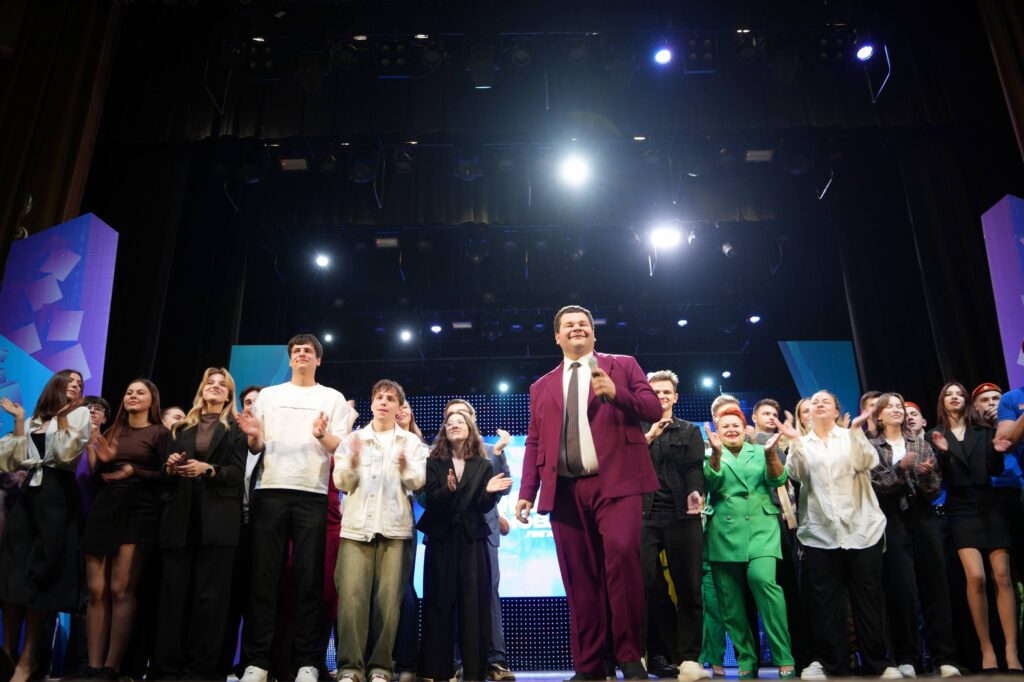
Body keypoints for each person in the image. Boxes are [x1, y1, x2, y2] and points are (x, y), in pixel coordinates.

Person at [515, 305, 662, 681]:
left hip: (617, 485)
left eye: (583, 324)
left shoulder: (623, 365)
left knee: (623, 562)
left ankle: (630, 657)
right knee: (579, 579)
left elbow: (653, 407)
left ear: (594, 334)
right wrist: (527, 491)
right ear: (557, 337)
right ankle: (589, 666)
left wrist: (617, 393)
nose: (577, 328)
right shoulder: (541, 386)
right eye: (568, 325)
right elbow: (534, 441)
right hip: (565, 491)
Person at [236, 334, 350, 682]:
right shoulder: (269, 396)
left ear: (318, 360)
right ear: (289, 359)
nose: (301, 354)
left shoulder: (332, 397)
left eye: (308, 351)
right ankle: (257, 662)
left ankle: (308, 662)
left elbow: (339, 446)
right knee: (264, 580)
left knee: (309, 583)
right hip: (269, 490)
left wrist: (321, 435)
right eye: (296, 350)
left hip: (312, 494)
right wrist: (253, 435)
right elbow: (256, 445)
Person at [779, 391, 901, 680]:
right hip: (820, 534)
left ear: (836, 411)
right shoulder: (802, 442)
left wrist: (856, 430)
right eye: (814, 402)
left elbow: (866, 462)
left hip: (862, 530)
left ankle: (877, 663)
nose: (819, 404)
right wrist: (794, 442)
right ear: (809, 413)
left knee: (868, 600)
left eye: (826, 401)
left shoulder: (850, 435)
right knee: (827, 605)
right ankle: (834, 664)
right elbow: (797, 475)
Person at [151, 367, 247, 679]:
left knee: (210, 601)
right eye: (210, 383)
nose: (215, 387)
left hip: (218, 525)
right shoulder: (181, 428)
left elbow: (237, 474)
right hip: (180, 520)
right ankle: (166, 669)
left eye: (222, 384)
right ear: (202, 389)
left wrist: (209, 469)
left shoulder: (236, 429)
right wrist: (169, 467)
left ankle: (201, 670)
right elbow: (165, 477)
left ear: (229, 394)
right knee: (173, 597)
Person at [332, 380, 427, 682]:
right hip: (356, 529)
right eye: (379, 397)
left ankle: (381, 667)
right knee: (352, 599)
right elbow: (341, 482)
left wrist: (404, 466)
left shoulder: (411, 443)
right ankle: (350, 667)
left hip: (395, 529)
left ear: (400, 408)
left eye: (390, 399)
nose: (384, 402)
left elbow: (417, 483)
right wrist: (353, 462)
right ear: (372, 403)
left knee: (388, 602)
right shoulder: (353, 440)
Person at [0, 370, 90, 682]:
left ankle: (28, 661)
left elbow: (66, 455)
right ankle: (6, 657)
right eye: (70, 381)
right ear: (56, 385)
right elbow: (11, 460)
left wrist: (63, 418)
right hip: (28, 498)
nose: (76, 385)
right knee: (13, 575)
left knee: (42, 577)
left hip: (56, 497)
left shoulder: (79, 415)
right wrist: (19, 420)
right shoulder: (36, 419)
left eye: (80, 383)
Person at [81, 379, 169, 679]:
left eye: (140, 392)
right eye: (129, 392)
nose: (132, 396)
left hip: (139, 510)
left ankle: (112, 666)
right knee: (97, 590)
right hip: (105, 508)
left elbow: (166, 476)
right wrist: (98, 454)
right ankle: (93, 666)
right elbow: (95, 475)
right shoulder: (112, 431)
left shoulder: (160, 433)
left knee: (121, 589)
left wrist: (134, 471)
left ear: (152, 400)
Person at [929, 381, 1020, 672]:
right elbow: (938, 479)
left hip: (989, 505)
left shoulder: (984, 431)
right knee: (976, 577)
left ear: (967, 401)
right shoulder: (936, 435)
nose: (954, 397)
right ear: (942, 402)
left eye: (959, 394)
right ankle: (986, 649)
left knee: (1002, 576)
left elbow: (994, 469)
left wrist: (998, 450)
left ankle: (1011, 650)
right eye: (949, 394)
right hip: (960, 508)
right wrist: (942, 453)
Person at [867, 393, 960, 678]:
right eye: (890, 407)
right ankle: (907, 656)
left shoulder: (920, 443)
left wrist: (926, 474)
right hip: (892, 519)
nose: (897, 410)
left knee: (935, 584)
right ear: (879, 416)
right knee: (902, 589)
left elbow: (934, 488)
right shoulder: (872, 446)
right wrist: (901, 468)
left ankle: (943, 656)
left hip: (923, 516)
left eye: (900, 406)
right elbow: (877, 483)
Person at [419, 410, 513, 682]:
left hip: (472, 540)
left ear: (470, 428)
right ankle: (438, 670)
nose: (454, 425)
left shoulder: (482, 464)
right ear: (444, 431)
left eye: (460, 422)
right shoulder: (434, 461)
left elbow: (482, 506)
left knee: (473, 605)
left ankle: (474, 671)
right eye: (449, 423)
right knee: (439, 602)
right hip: (442, 538)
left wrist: (489, 493)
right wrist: (448, 490)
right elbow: (430, 499)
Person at [703, 407, 795, 680]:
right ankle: (746, 659)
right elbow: (710, 484)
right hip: (723, 533)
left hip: (761, 529)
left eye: (736, 425)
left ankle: (784, 657)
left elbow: (778, 479)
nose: (731, 430)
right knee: (730, 603)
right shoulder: (709, 454)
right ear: (717, 432)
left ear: (745, 429)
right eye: (725, 426)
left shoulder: (760, 450)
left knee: (763, 582)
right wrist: (716, 454)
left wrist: (770, 455)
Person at [639, 370, 707, 682]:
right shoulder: (636, 430)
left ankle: (690, 659)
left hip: (683, 515)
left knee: (689, 588)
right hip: (644, 514)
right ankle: (655, 653)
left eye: (667, 392)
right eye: (656, 392)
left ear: (675, 397)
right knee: (646, 585)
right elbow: (627, 463)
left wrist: (696, 491)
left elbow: (694, 467)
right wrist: (650, 435)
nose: (662, 396)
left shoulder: (690, 430)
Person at [443, 398, 516, 682]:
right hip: (453, 533)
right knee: (454, 597)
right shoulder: (441, 453)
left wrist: (497, 452)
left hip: (484, 533)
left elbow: (504, 488)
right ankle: (457, 662)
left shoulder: (488, 449)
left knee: (488, 595)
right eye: (451, 416)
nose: (457, 420)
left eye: (463, 415)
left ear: (472, 420)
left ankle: (495, 661)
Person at [220, 384, 264, 676]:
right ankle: (221, 662)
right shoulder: (230, 439)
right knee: (228, 599)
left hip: (263, 529)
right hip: (231, 527)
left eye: (258, 402)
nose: (252, 407)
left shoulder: (273, 441)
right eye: (248, 402)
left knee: (257, 600)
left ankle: (251, 664)